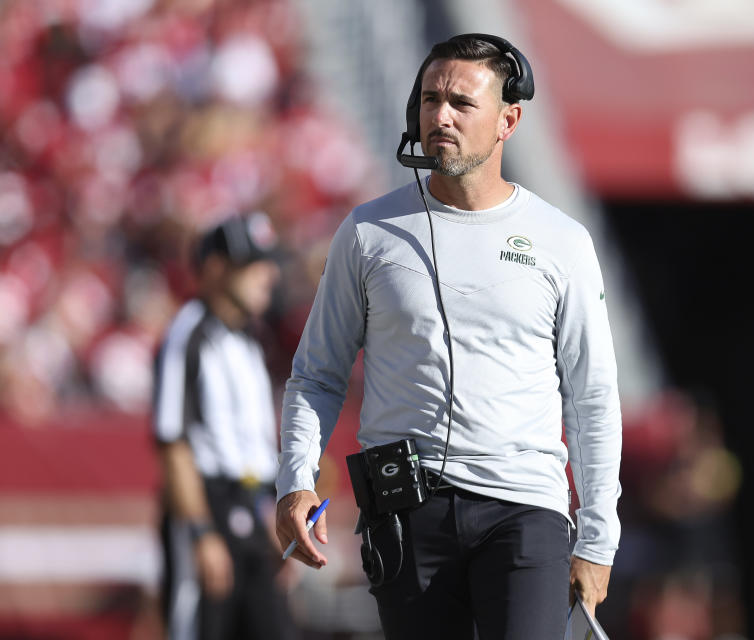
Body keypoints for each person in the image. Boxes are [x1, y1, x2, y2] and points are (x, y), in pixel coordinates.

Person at [275, 33, 622, 639]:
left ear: (508, 120)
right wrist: (296, 481)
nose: (440, 116)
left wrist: (598, 539)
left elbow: (593, 396)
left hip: (526, 510)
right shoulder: (367, 233)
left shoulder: (561, 240)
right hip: (408, 509)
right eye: (430, 99)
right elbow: (317, 373)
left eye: (462, 103)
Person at [154, 213, 293, 640]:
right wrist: (201, 533)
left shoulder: (250, 339)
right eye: (252, 262)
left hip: (254, 508)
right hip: (210, 506)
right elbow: (172, 442)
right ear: (215, 267)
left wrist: (278, 520)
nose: (267, 274)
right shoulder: (189, 335)